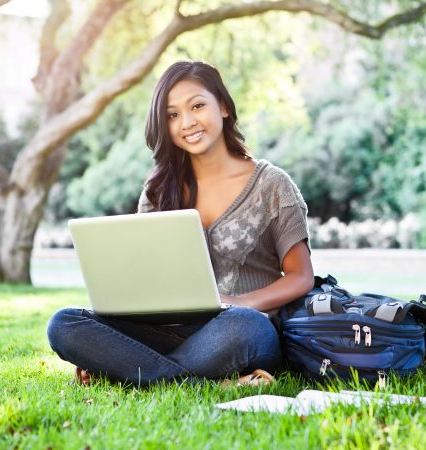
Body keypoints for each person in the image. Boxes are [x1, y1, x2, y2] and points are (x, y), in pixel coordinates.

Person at [46, 61, 314, 387]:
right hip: (166, 329)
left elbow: (301, 277)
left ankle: (129, 371)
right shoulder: (158, 190)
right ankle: (207, 382)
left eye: (198, 106)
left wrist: (242, 301)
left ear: (224, 107)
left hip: (236, 329)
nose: (187, 122)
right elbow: (143, 274)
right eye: (172, 115)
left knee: (248, 327)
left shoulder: (272, 184)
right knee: (64, 323)